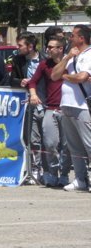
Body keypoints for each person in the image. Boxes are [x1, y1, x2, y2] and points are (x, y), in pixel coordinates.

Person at [51, 24, 91, 192]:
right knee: (74, 146)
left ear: (81, 38)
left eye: (73, 35)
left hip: (82, 106)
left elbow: (82, 77)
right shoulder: (72, 55)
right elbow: (54, 75)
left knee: (89, 145)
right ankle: (80, 180)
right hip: (66, 105)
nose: (70, 38)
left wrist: (65, 76)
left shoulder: (89, 55)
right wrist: (67, 58)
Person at [27, 36, 71, 187]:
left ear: (60, 49)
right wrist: (33, 94)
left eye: (52, 47)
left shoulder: (71, 62)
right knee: (50, 143)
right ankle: (52, 172)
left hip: (68, 108)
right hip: (50, 108)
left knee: (67, 145)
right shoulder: (44, 64)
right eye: (48, 46)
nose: (48, 49)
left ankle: (64, 174)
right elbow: (33, 81)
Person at [10, 32, 45, 184]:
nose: (18, 48)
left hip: (46, 101)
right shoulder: (18, 60)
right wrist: (20, 81)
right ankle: (34, 169)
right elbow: (11, 79)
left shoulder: (44, 59)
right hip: (29, 103)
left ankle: (49, 169)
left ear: (30, 46)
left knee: (50, 139)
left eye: (20, 45)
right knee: (31, 138)